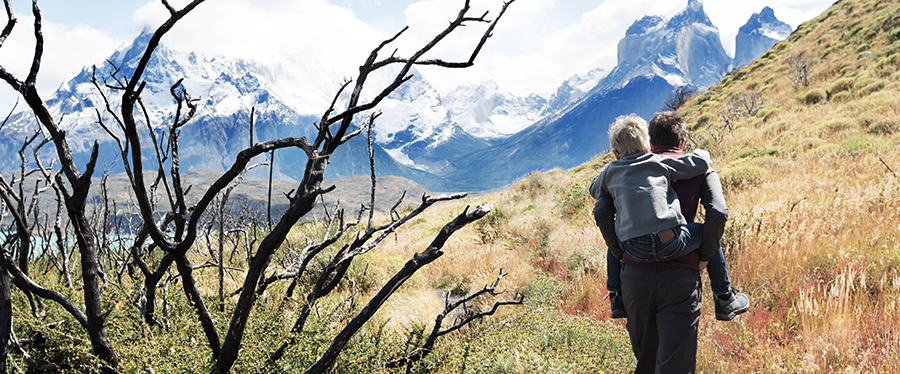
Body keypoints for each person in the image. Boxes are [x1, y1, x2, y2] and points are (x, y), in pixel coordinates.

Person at [592, 112, 749, 373]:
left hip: (634, 274)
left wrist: (620, 251)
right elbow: (718, 213)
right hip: (679, 273)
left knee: (647, 363)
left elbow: (601, 212)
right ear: (683, 141)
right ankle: (725, 298)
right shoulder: (659, 164)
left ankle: (615, 297)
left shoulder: (613, 173)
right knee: (676, 365)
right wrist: (704, 258)